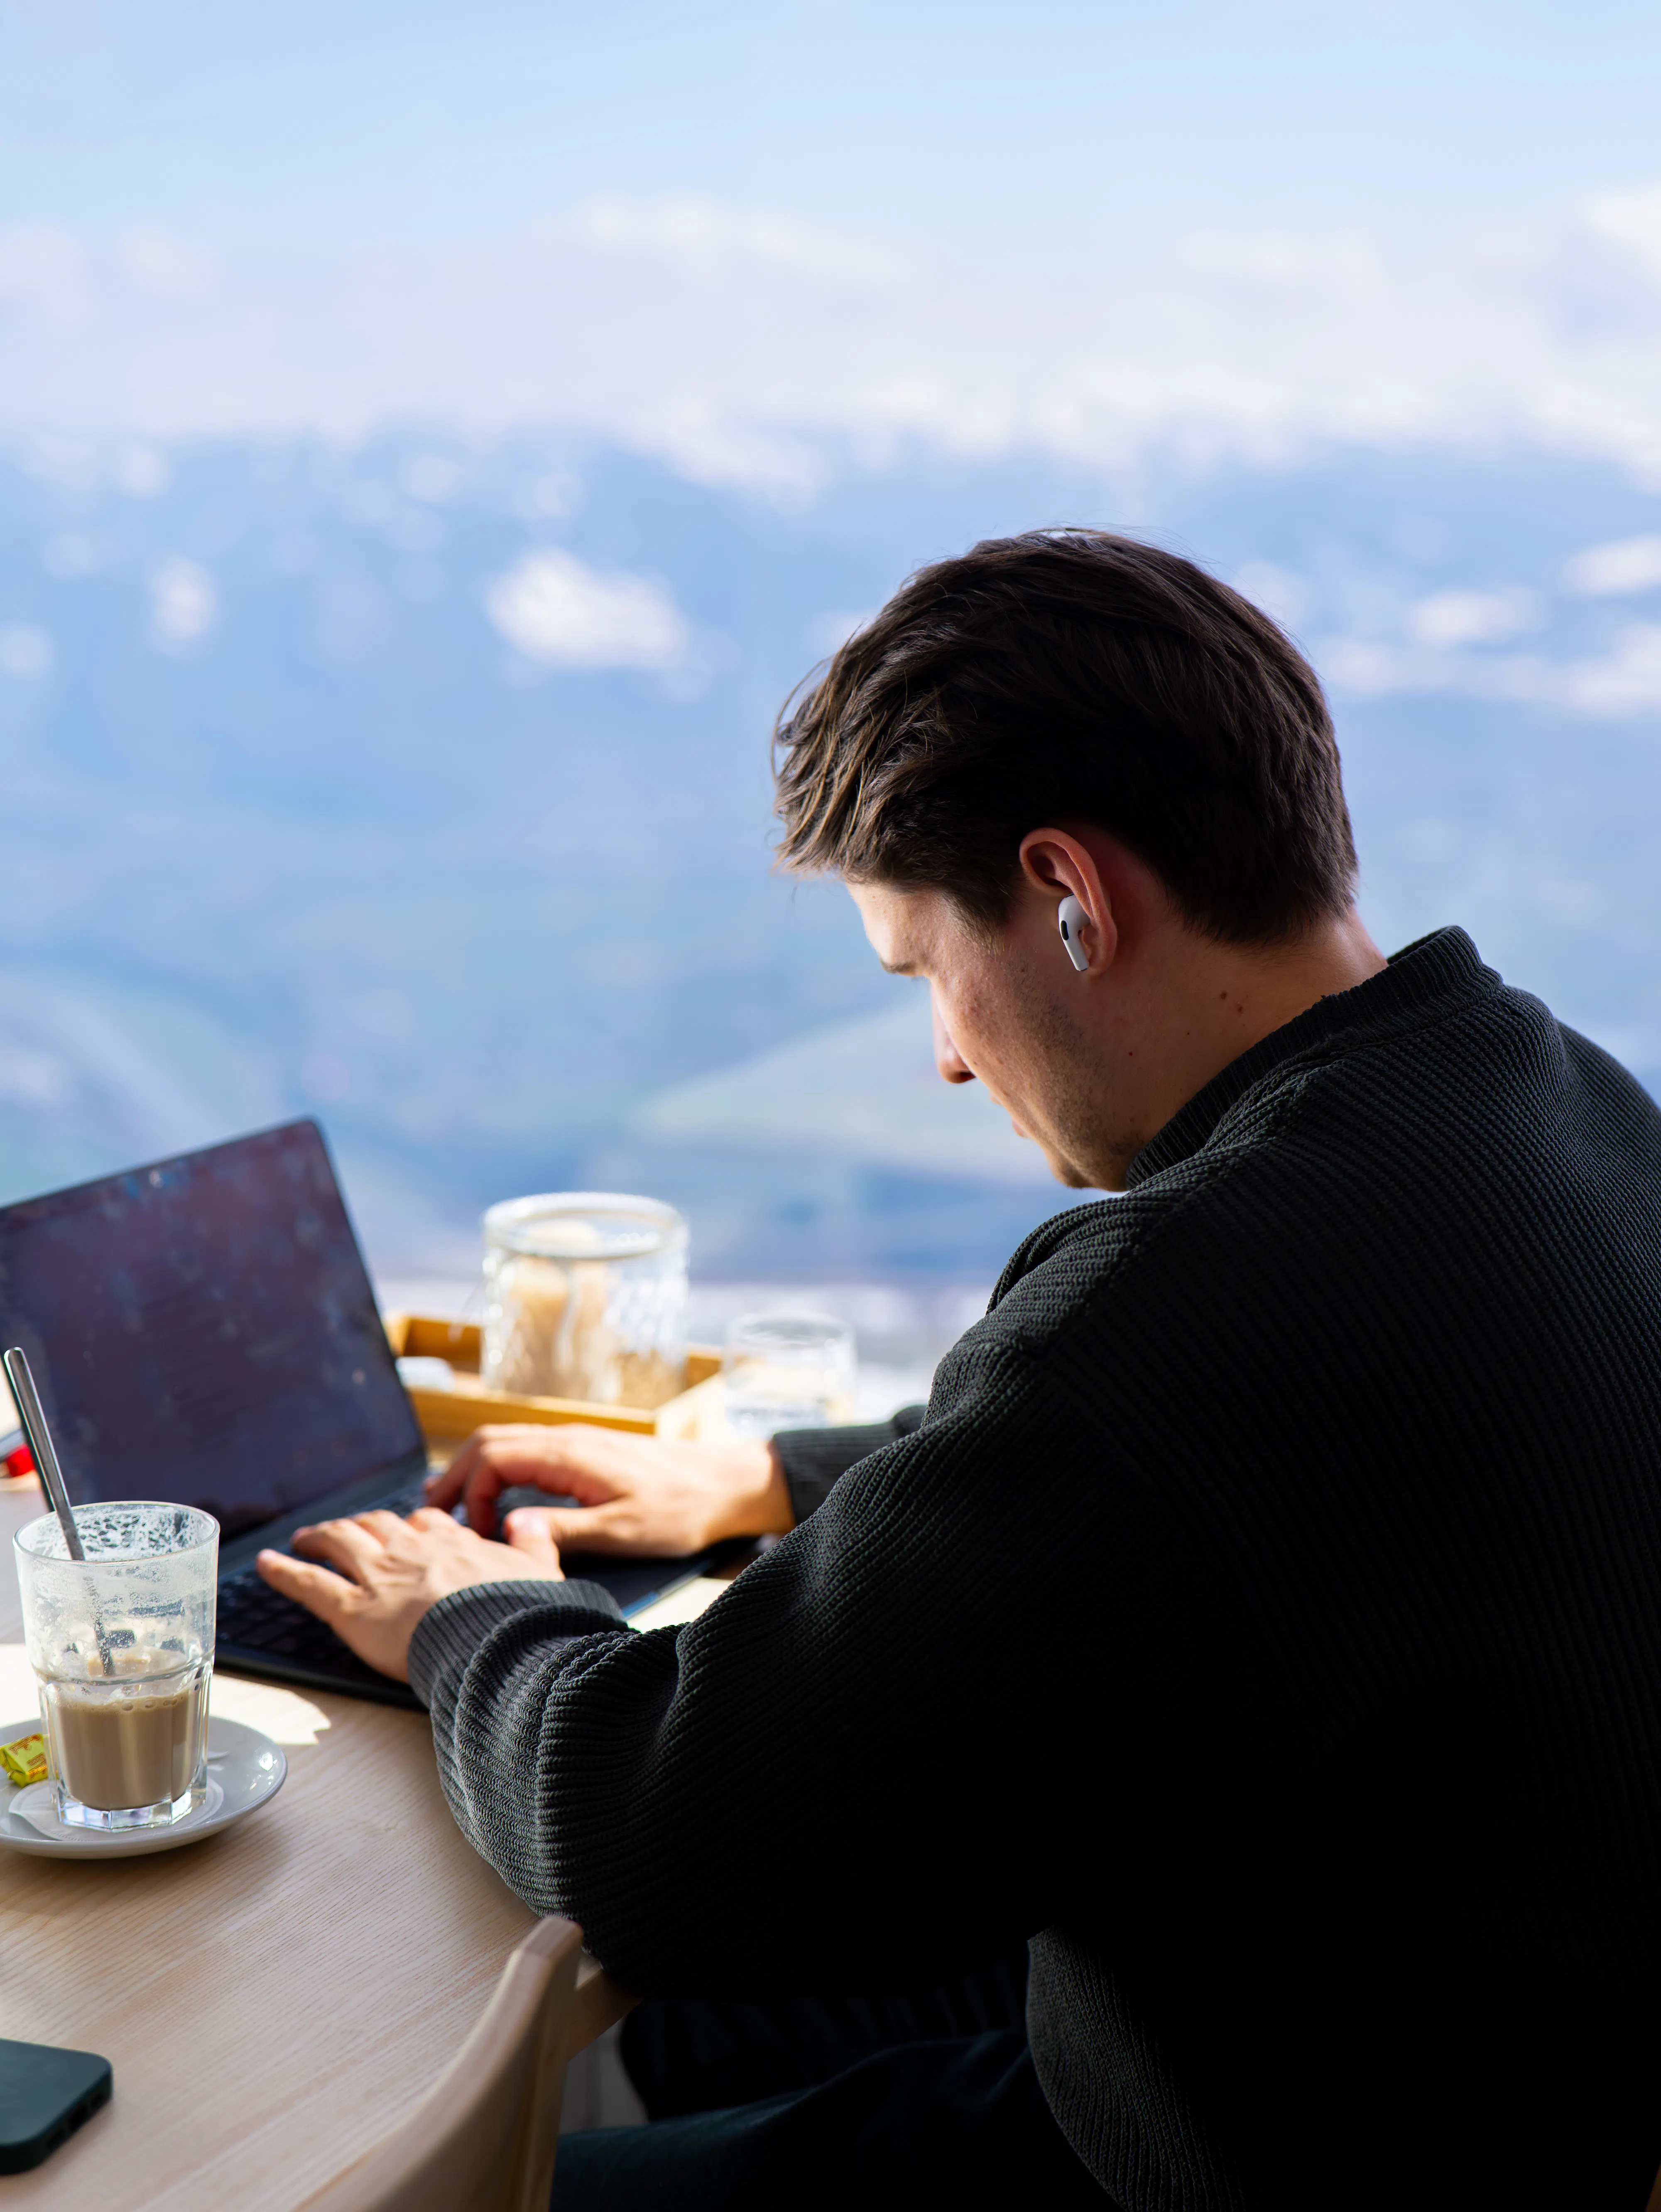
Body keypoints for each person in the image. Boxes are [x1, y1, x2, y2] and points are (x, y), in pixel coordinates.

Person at [257, 531, 1661, 2209]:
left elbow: (651, 1835)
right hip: (1461, 2069)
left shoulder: (1175, 1303)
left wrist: (457, 1613)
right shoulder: (1539, 1091)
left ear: (1068, 896)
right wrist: (772, 1481)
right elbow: (1261, 1468)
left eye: (924, 968)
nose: (938, 1055)